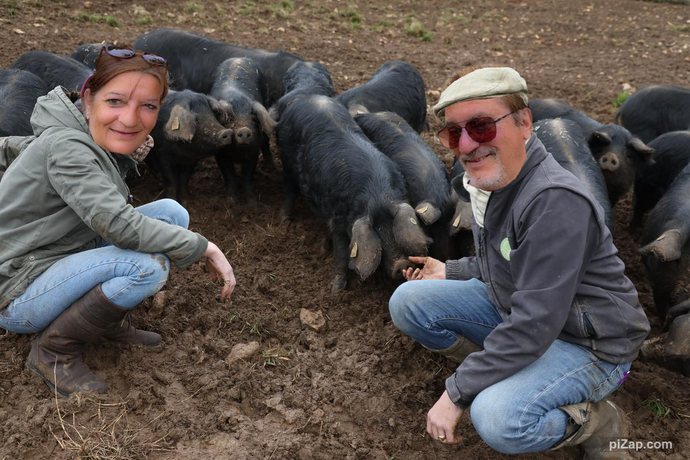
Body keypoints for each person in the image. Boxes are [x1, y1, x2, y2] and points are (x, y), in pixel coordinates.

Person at [388, 67, 650, 459]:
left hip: (589, 343)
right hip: (524, 313)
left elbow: (533, 322)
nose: (466, 145)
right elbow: (508, 260)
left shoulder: (554, 201)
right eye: (453, 133)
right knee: (409, 301)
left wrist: (457, 392)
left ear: (524, 122)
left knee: (498, 418)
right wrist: (453, 269)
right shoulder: (493, 182)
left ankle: (599, 423)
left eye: (480, 126)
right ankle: (509, 370)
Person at [0, 46, 236, 397]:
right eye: (116, 101)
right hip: (17, 287)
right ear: (88, 97)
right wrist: (203, 247)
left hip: (56, 250)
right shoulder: (68, 146)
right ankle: (52, 351)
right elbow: (117, 224)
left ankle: (105, 321)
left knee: (173, 213)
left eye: (147, 106)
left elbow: (20, 149)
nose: (130, 119)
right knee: (146, 268)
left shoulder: (76, 130)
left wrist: (119, 156)